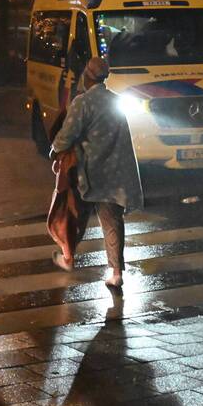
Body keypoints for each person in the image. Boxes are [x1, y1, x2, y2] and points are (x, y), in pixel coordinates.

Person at [49, 57, 143, 289]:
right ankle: (116, 272)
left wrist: (55, 150)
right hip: (115, 173)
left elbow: (67, 134)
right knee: (112, 222)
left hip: (88, 172)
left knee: (74, 214)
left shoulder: (82, 102)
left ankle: (68, 258)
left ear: (87, 76)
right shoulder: (116, 101)